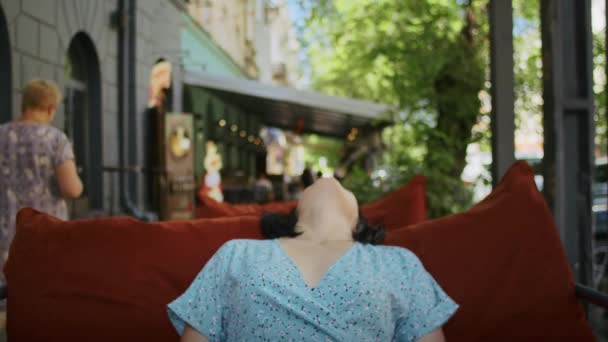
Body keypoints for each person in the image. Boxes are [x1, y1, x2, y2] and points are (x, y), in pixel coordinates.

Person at [168, 178, 458, 341]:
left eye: (346, 186)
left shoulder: (400, 264)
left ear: (360, 224)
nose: (329, 180)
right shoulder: (236, 254)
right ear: (292, 214)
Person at [0, 79, 83, 285]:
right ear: (51, 108)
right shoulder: (55, 139)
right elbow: (71, 189)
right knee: (40, 292)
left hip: (4, 233)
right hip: (44, 231)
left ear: (24, 104)